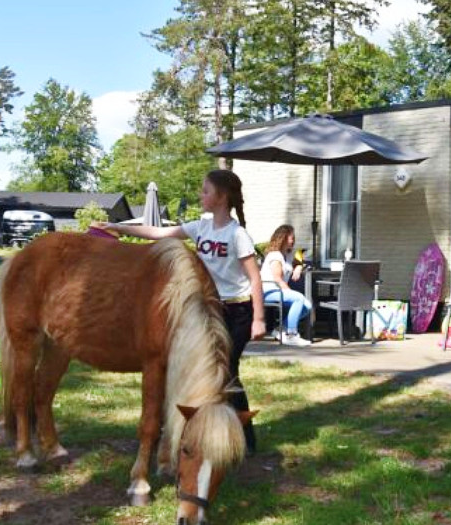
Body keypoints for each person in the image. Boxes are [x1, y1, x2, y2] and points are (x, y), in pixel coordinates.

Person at [95, 169, 265, 453]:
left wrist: (258, 319)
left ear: (221, 197)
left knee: (226, 372)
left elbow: (255, 278)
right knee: (198, 370)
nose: (201, 195)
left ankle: (243, 438)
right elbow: (158, 233)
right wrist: (120, 228)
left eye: (206, 190)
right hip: (207, 308)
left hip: (237, 311)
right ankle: (198, 427)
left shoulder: (238, 235)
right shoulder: (201, 227)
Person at [260, 225, 312, 347]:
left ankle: (280, 330)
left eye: (294, 238)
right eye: (291, 238)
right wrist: (290, 292)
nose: (293, 241)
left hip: (278, 291)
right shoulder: (275, 255)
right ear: (282, 238)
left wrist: (298, 267)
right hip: (268, 291)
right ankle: (291, 334)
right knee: (298, 298)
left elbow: (299, 262)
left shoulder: (287, 255)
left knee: (307, 306)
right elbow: (277, 278)